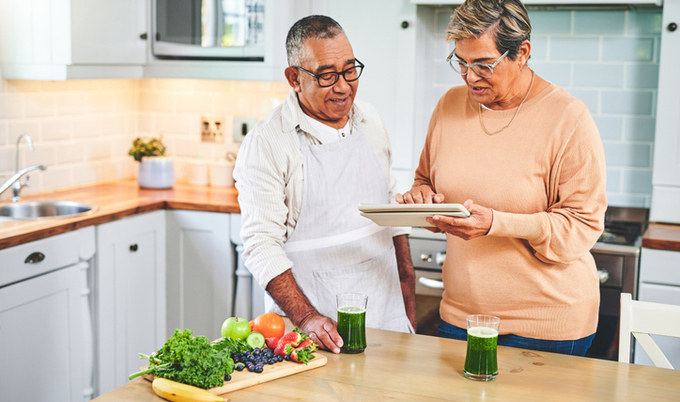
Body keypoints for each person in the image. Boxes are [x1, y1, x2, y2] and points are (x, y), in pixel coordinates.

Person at [397, 0, 607, 356]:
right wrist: (422, 198)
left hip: (545, 325)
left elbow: (582, 226)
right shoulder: (449, 105)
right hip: (460, 318)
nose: (468, 77)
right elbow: (425, 180)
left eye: (483, 64)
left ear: (521, 52)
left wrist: (496, 223)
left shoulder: (567, 118)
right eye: (460, 62)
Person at [233, 15, 415, 354]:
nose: (344, 86)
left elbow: (390, 205)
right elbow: (260, 245)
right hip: (316, 335)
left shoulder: (370, 120)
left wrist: (407, 288)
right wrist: (307, 319)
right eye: (327, 75)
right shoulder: (269, 143)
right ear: (295, 79)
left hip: (387, 321)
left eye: (349, 70)